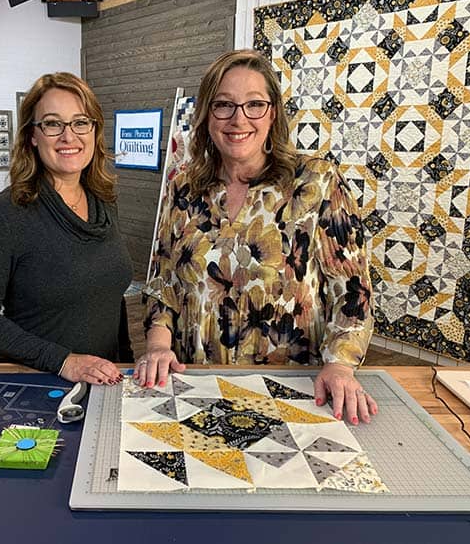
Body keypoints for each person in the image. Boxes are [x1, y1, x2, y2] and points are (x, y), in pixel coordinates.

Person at [137, 50, 376, 424]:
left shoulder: (316, 182)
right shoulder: (184, 187)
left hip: (293, 392)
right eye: (223, 105)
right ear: (207, 115)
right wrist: (157, 346)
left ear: (273, 113)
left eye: (254, 104)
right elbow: (163, 283)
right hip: (195, 385)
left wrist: (340, 365)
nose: (239, 119)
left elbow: (353, 291)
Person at [0, 72, 132, 385]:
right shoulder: (2, 215)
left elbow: (111, 298)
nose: (69, 136)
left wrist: (126, 362)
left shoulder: (105, 202)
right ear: (33, 135)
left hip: (103, 378)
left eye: (80, 122)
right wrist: (63, 361)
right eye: (53, 124)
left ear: (94, 131)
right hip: (36, 381)